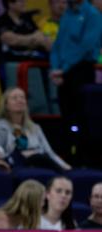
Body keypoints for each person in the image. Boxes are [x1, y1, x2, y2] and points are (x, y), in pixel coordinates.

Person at [49, 0, 101, 145]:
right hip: (62, 73)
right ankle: (70, 154)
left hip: (81, 71)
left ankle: (84, 157)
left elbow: (86, 46)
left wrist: (62, 69)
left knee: (82, 116)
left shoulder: (93, 14)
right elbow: (57, 45)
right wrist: (54, 68)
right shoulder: (67, 13)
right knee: (66, 114)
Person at [0, 87, 71, 172]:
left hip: (40, 162)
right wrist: (21, 155)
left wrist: (64, 165)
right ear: (6, 105)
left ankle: (63, 172)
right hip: (16, 164)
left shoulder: (35, 127)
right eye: (14, 98)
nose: (20, 100)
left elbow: (49, 152)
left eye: (22, 97)